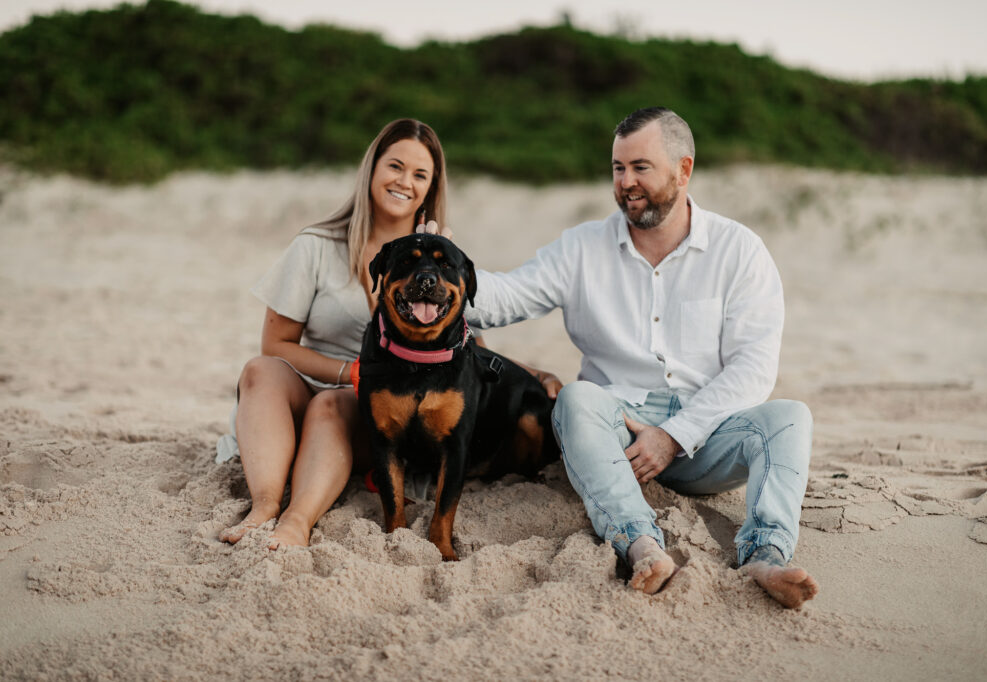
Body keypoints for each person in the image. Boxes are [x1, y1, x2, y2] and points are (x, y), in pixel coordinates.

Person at [466, 107, 819, 608]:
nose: (626, 182)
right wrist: (442, 265)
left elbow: (753, 367)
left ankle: (765, 554)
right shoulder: (582, 248)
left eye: (641, 167)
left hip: (708, 437)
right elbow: (505, 296)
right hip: (616, 439)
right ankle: (640, 543)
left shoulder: (739, 250)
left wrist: (674, 437)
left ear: (684, 169)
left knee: (790, 418)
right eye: (617, 168)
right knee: (576, 399)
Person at [217, 118, 453, 549]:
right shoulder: (317, 245)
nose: (404, 182)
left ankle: (297, 521)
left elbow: (464, 352)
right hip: (322, 382)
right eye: (395, 166)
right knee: (259, 370)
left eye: (420, 174)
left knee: (331, 403)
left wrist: (432, 267)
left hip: (379, 413)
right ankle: (265, 505)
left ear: (431, 186)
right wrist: (350, 371)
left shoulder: (437, 262)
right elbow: (276, 343)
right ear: (372, 169)